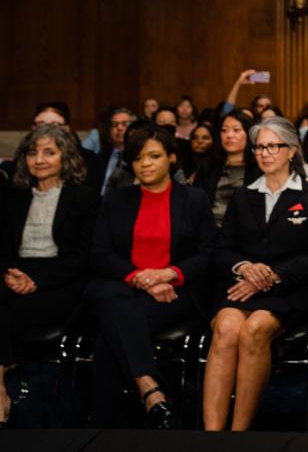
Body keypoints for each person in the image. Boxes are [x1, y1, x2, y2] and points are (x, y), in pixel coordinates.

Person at [203, 117, 308, 431]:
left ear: (291, 151)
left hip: (290, 293)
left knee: (255, 328)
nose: (265, 152)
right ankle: (211, 435)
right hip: (242, 288)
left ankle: (239, 433)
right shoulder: (243, 195)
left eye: (273, 146)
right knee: (226, 327)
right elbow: (220, 250)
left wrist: (273, 275)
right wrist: (244, 268)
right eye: (259, 146)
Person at [88, 123, 217, 427]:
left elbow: (211, 254)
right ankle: (151, 389)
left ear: (172, 158)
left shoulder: (194, 199)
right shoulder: (117, 199)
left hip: (175, 293)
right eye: (137, 158)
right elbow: (99, 254)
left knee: (112, 320)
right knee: (111, 298)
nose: (144, 164)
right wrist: (139, 277)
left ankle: (106, 423)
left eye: (154, 156)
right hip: (127, 287)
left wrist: (170, 274)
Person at [0, 125, 100, 426]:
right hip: (16, 273)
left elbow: (83, 256)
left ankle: (0, 392)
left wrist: (38, 281)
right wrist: (9, 273)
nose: (39, 160)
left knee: (7, 311)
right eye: (32, 153)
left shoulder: (84, 198)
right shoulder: (14, 197)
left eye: (49, 152)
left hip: (61, 282)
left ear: (65, 157)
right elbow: (2, 245)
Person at [193, 110, 261, 227]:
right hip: (210, 231)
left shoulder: (259, 168)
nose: (229, 135)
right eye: (224, 130)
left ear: (249, 134)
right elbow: (195, 204)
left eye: (236, 130)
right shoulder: (208, 166)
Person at [86, 107, 136, 195]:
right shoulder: (99, 158)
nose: (119, 128)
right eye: (115, 124)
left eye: (125, 124)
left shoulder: (139, 157)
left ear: (134, 129)